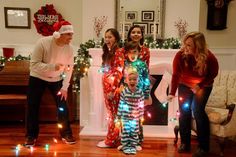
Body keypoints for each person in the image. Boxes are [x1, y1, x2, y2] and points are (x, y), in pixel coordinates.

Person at [167, 32, 219, 157]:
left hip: (203, 85)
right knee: (184, 111)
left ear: (198, 46)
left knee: (197, 110)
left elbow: (213, 74)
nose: (185, 47)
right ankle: (185, 143)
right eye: (185, 44)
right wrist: (172, 92)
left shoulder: (209, 58)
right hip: (184, 84)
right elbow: (175, 75)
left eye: (189, 45)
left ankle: (203, 147)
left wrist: (199, 86)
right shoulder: (180, 55)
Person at [25, 20, 76, 146]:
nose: (71, 37)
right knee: (32, 106)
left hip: (56, 79)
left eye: (71, 34)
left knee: (62, 106)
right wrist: (52, 67)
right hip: (37, 78)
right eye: (68, 34)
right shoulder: (43, 43)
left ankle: (66, 133)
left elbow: (69, 68)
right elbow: (34, 65)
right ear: (59, 34)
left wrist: (65, 87)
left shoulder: (69, 49)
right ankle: (31, 135)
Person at [97, 28, 125, 148]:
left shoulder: (118, 52)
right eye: (106, 37)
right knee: (112, 114)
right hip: (107, 88)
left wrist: (112, 90)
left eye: (110, 37)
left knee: (113, 115)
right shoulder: (108, 52)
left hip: (112, 89)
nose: (107, 39)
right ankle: (114, 138)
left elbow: (119, 72)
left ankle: (111, 140)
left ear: (116, 38)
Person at [125, 24, 151, 146]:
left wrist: (146, 94)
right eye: (133, 32)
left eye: (138, 32)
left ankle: (138, 139)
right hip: (126, 92)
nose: (136, 34)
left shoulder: (143, 59)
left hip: (139, 92)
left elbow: (146, 76)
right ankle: (126, 139)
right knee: (127, 115)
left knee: (138, 115)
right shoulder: (125, 60)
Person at [116, 66, 145, 155]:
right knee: (125, 132)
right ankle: (125, 145)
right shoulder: (124, 92)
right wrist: (119, 116)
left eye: (134, 79)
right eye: (130, 79)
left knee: (134, 132)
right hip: (125, 116)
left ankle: (133, 145)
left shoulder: (140, 92)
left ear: (137, 81)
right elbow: (121, 103)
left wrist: (141, 116)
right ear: (126, 80)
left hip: (135, 118)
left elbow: (141, 105)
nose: (132, 81)